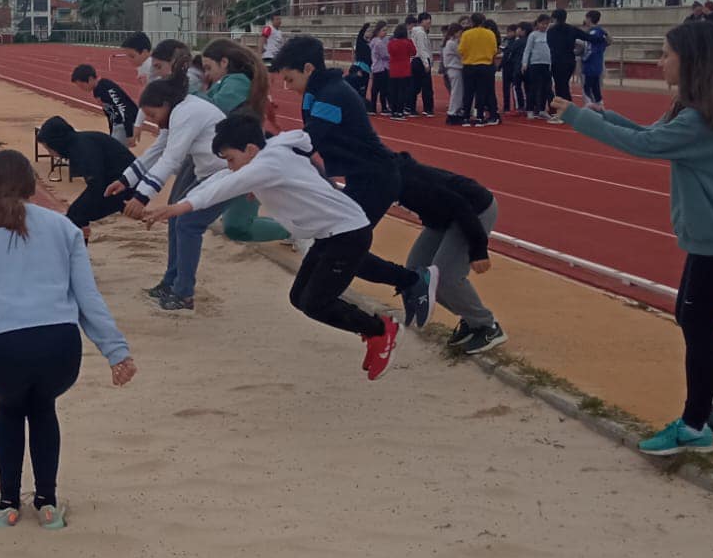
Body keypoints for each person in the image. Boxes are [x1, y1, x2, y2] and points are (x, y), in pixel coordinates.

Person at [554, 23, 713, 457]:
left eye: (666, 54)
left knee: (697, 322)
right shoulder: (697, 108)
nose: (659, 62)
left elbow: (645, 148)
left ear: (691, 61)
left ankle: (694, 425)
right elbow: (649, 136)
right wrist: (601, 116)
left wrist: (577, 118)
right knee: (695, 319)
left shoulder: (701, 119)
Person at [0, 148, 135, 527]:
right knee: (44, 409)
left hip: (4, 350)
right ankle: (47, 504)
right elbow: (87, 297)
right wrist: (116, 351)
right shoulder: (64, 228)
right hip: (59, 348)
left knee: (10, 409)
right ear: (32, 184)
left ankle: (8, 504)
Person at [145, 115, 401, 381]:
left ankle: (380, 331)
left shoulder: (269, 163)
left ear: (251, 150)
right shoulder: (268, 157)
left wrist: (180, 207)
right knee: (299, 297)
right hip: (330, 234)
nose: (230, 167)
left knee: (315, 303)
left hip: (348, 233)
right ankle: (376, 329)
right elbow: (221, 178)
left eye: (231, 158)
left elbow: (225, 185)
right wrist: (185, 201)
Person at [269, 35, 437, 326]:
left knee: (343, 243)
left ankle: (412, 281)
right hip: (360, 178)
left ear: (308, 68)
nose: (288, 87)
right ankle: (409, 281)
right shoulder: (314, 92)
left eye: (290, 79)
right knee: (337, 243)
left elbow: (308, 143)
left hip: (377, 178)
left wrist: (260, 164)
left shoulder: (333, 94)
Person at [108, 77, 228, 312]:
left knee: (188, 224)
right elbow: (157, 150)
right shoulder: (176, 114)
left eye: (153, 115)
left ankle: (184, 294)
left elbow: (171, 160)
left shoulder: (186, 113)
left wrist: (141, 197)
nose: (152, 121)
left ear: (165, 104)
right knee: (176, 219)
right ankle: (172, 281)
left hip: (226, 173)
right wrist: (126, 180)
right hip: (206, 172)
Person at [394, 153, 504, 354]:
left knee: (444, 275)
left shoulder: (411, 182)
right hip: (443, 218)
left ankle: (487, 326)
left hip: (474, 210)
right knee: (415, 273)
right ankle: (470, 318)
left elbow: (461, 207)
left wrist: (478, 250)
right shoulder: (378, 174)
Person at [198, 38, 290, 243]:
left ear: (224, 62)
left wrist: (190, 91)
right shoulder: (227, 83)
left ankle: (296, 231)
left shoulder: (236, 82)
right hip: (239, 159)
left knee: (237, 227)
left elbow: (215, 108)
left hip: (248, 158)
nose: (206, 73)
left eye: (208, 67)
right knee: (229, 220)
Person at [37, 116, 136, 236]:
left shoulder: (82, 148)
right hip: (115, 182)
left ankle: (78, 250)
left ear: (56, 143)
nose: (50, 154)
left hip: (125, 184)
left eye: (48, 149)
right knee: (78, 214)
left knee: (76, 215)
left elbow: (96, 184)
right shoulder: (77, 144)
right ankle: (81, 237)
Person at [72, 62, 138, 142]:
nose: (81, 89)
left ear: (90, 79)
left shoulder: (107, 87)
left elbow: (123, 108)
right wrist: (112, 130)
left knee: (114, 151)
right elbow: (109, 113)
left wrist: (129, 133)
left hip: (126, 122)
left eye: (82, 86)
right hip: (118, 123)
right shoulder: (96, 91)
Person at [458, 12, 501, 127]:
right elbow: (494, 50)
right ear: (483, 21)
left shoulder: (467, 34)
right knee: (481, 92)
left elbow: (461, 50)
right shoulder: (490, 34)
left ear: (472, 22)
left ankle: (466, 117)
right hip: (485, 65)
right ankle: (480, 117)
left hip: (469, 65)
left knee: (468, 92)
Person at [545, 8, 591, 109]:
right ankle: (567, 107)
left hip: (556, 60)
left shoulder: (551, 31)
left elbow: (548, 44)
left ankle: (565, 108)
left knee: (559, 86)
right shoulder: (572, 29)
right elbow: (587, 37)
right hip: (569, 60)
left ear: (555, 18)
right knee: (564, 84)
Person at [523, 13, 555, 121]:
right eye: (542, 24)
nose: (545, 26)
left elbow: (551, 49)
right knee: (533, 88)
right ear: (538, 23)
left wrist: (551, 63)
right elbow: (527, 50)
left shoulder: (549, 34)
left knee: (546, 88)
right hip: (535, 64)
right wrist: (524, 63)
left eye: (547, 24)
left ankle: (542, 109)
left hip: (546, 64)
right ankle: (530, 110)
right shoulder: (533, 35)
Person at [385, 19, 417, 119]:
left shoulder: (391, 43)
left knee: (394, 91)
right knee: (402, 92)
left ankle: (393, 111)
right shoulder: (407, 42)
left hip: (393, 70)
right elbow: (414, 52)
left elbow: (390, 52)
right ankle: (400, 111)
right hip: (404, 70)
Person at [580, 9, 610, 106]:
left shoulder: (592, 33)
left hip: (590, 62)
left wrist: (584, 58)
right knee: (595, 85)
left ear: (589, 18)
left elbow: (589, 48)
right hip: (598, 62)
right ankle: (599, 103)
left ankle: (589, 104)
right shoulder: (601, 32)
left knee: (587, 85)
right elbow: (608, 42)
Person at [501, 21, 530, 117]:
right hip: (529, 66)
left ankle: (520, 107)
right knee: (528, 88)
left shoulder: (518, 42)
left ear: (523, 31)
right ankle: (530, 106)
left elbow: (509, 51)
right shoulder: (530, 40)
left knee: (516, 87)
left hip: (517, 66)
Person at [410, 14, 435, 117]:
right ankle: (428, 108)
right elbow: (422, 49)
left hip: (416, 60)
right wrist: (426, 63)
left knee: (415, 86)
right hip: (420, 60)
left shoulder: (416, 32)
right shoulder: (420, 33)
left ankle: (411, 107)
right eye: (428, 22)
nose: (429, 24)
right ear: (422, 21)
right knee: (426, 86)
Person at [440, 23, 465, 124]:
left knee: (458, 92)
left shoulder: (451, 42)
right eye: (459, 32)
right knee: (456, 93)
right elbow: (461, 53)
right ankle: (452, 112)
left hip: (455, 69)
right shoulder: (451, 43)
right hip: (454, 69)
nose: (461, 34)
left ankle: (456, 111)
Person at [367, 21, 392, 116]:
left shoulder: (374, 41)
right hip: (382, 67)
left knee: (375, 88)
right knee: (383, 89)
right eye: (383, 30)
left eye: (386, 30)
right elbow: (385, 55)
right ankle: (383, 108)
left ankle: (373, 108)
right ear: (378, 31)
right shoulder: (379, 42)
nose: (385, 32)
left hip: (376, 67)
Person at [347, 23, 374, 97]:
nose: (369, 33)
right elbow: (360, 36)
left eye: (371, 31)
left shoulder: (372, 45)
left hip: (366, 71)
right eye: (368, 31)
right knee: (354, 90)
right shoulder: (360, 43)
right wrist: (365, 27)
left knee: (363, 92)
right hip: (357, 69)